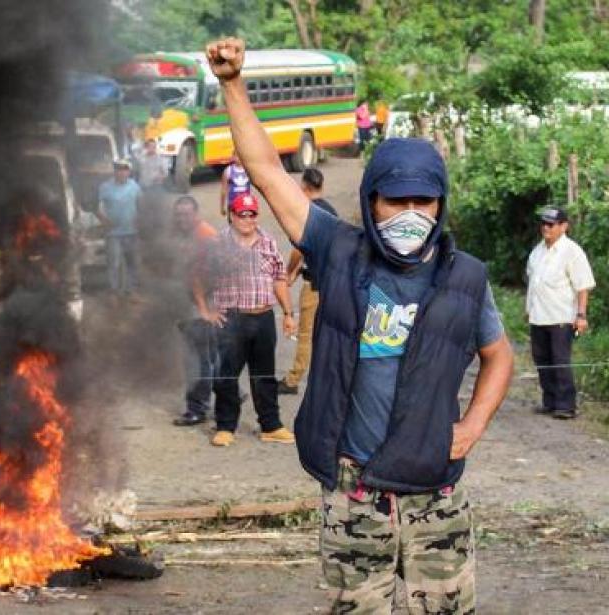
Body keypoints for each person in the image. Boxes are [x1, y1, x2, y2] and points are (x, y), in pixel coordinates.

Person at [206, 37, 514, 613]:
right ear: (371, 201)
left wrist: (471, 426)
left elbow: (500, 356)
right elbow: (268, 171)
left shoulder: (464, 278)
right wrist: (231, 84)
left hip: (436, 493)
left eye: (424, 202)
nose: (410, 215)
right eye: (395, 202)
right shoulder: (336, 251)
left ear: (440, 205)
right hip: (355, 491)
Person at [195, 192, 297, 447]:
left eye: (253, 214)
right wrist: (206, 310)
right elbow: (197, 277)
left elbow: (279, 278)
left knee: (265, 375)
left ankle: (271, 425)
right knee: (227, 375)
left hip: (263, 317)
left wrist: (287, 313)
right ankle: (226, 426)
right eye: (243, 214)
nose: (248, 219)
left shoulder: (268, 242)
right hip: (231, 320)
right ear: (232, 215)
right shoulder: (218, 244)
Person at [526, 207, 595, 420]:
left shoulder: (571, 251)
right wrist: (527, 308)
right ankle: (550, 401)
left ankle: (566, 405)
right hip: (538, 316)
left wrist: (581, 315)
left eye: (551, 224)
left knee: (560, 360)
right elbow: (533, 282)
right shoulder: (538, 251)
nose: (546, 228)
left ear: (563, 226)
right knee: (542, 360)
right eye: (543, 223)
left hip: (561, 317)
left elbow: (582, 285)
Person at [278, 168, 337, 395]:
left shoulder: (309, 213)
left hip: (314, 285)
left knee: (306, 335)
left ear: (304, 187)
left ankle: (293, 380)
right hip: (332, 283)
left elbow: (299, 247)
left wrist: (290, 273)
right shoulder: (331, 212)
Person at [171, 195, 220, 427]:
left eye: (186, 214)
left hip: (202, 303)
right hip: (188, 300)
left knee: (196, 358)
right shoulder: (182, 234)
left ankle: (197, 408)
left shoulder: (206, 236)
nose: (181, 219)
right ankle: (230, 395)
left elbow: (213, 273)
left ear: (196, 213)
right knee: (209, 355)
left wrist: (205, 307)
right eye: (178, 214)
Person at [97, 159, 142, 300]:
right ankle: (113, 292)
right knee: (114, 264)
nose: (121, 172)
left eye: (124, 169)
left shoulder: (135, 186)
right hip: (113, 234)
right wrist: (103, 220)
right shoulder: (105, 187)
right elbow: (97, 207)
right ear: (114, 171)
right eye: (118, 169)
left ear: (129, 172)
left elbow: (141, 203)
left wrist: (140, 219)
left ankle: (131, 291)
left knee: (131, 263)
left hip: (132, 232)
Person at [136, 138, 169, 237]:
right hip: (144, 189)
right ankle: (147, 233)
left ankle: (160, 232)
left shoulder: (160, 159)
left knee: (158, 210)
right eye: (150, 146)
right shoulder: (142, 158)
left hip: (156, 188)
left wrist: (160, 177)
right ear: (146, 147)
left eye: (154, 146)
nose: (152, 148)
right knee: (145, 211)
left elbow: (165, 173)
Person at [219, 151, 251, 220]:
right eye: (236, 156)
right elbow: (223, 190)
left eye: (241, 156)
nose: (239, 158)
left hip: (246, 205)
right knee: (234, 226)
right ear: (233, 157)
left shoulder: (249, 170)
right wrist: (222, 207)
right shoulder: (228, 171)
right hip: (233, 205)